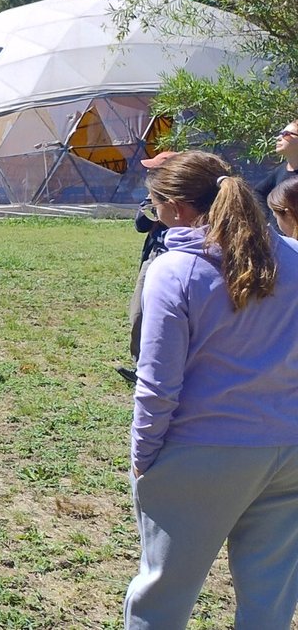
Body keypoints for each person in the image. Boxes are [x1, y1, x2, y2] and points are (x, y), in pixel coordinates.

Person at [125, 150, 298, 627]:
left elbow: (157, 384)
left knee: (162, 595)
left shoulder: (174, 270)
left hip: (200, 452)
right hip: (288, 450)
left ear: (178, 208)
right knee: (269, 602)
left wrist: (143, 456)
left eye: (155, 204)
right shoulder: (295, 257)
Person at [119, 150, 178, 385]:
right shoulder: (153, 196)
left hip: (178, 258)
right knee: (139, 312)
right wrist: (152, 201)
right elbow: (141, 224)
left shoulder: (190, 198)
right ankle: (141, 368)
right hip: (155, 256)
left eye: (154, 169)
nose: (148, 173)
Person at [251, 118, 298, 215]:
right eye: (280, 133)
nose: (278, 138)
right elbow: (258, 193)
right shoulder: (280, 170)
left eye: (286, 134)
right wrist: (267, 218)